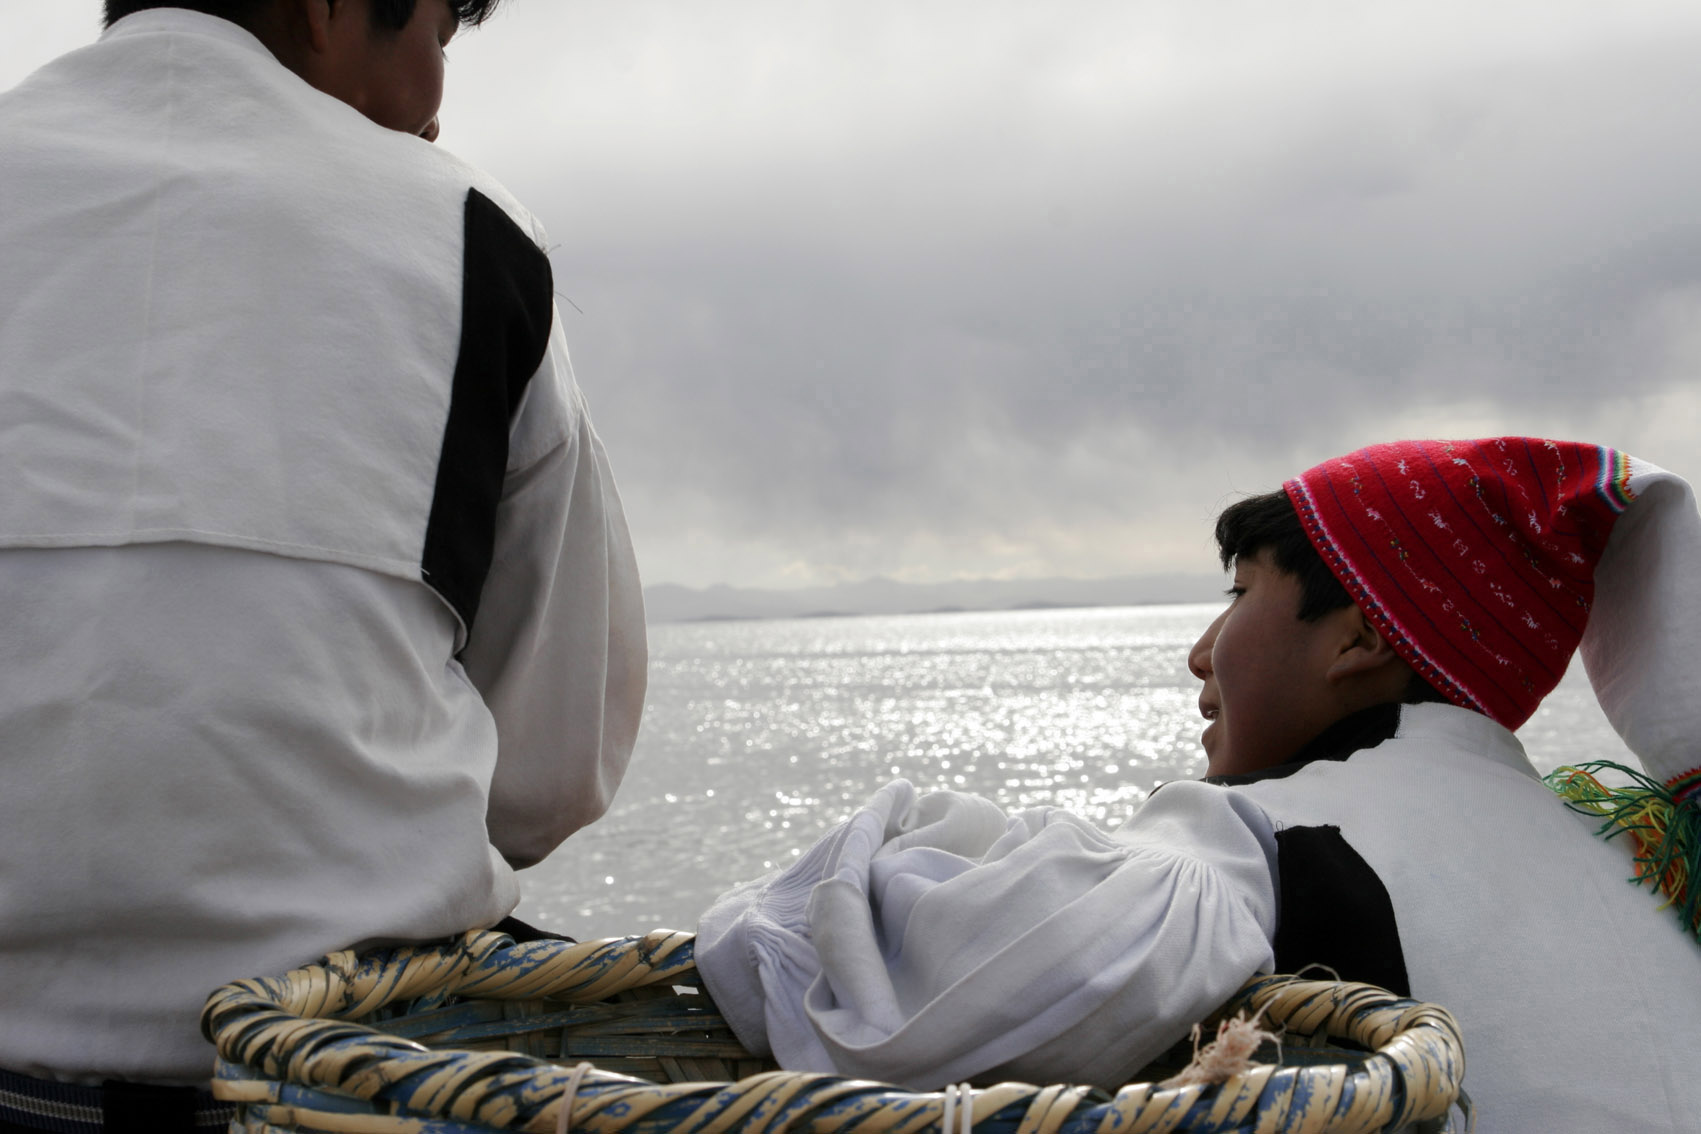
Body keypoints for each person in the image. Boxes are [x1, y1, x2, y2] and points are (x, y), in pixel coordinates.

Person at [0, 2, 645, 1129]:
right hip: (342, 1074)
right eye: (440, 34)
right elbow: (552, 779)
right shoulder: (467, 238)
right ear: (332, 9)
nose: (438, 108)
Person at [697, 437, 1701, 1131]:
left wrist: (774, 913)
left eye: (1238, 596)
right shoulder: (1615, 864)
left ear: (1358, 638)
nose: (1199, 651)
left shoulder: (1281, 834)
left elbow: (940, 1010)